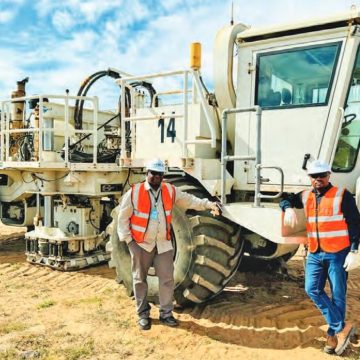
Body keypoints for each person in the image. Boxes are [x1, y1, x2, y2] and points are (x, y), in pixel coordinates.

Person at [117, 158, 221, 331]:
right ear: (146, 173)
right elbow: (122, 219)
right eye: (153, 173)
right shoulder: (134, 193)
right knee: (139, 280)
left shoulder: (170, 191)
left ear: (163, 175)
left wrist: (209, 204)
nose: (156, 177)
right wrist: (129, 241)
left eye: (159, 174)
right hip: (141, 244)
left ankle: (166, 314)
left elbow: (190, 200)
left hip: (163, 244)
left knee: (167, 280)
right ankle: (143, 315)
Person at [279, 159, 360, 355]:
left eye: (322, 175)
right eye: (314, 176)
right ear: (310, 178)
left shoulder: (342, 195)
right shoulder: (306, 195)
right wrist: (287, 207)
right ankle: (342, 327)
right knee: (312, 289)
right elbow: (284, 198)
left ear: (329, 175)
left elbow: (356, 223)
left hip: (338, 254)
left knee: (338, 295)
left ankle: (332, 336)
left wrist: (355, 250)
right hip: (315, 252)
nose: (318, 179)